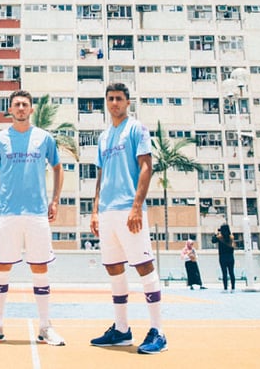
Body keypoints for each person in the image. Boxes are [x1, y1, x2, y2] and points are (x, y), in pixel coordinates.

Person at [0, 90, 66, 347]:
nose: (21, 108)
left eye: (25, 104)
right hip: (8, 214)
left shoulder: (44, 138)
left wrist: (55, 200)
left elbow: (58, 168)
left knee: (40, 269)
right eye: (17, 105)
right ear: (11, 110)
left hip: (37, 214)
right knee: (2, 268)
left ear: (31, 110)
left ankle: (46, 327)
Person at [89, 83, 167, 355]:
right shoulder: (102, 137)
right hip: (107, 212)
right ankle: (122, 330)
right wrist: (95, 210)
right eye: (110, 99)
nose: (114, 103)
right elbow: (101, 176)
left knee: (144, 266)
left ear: (127, 102)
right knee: (113, 268)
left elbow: (146, 166)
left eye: (119, 99)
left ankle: (159, 331)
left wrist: (137, 206)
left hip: (128, 209)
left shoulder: (137, 129)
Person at [212, 224, 236, 292]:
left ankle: (225, 288)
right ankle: (233, 288)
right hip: (231, 256)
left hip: (222, 257)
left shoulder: (220, 237)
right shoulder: (231, 237)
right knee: (231, 272)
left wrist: (216, 234)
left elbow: (213, 240)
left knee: (224, 273)